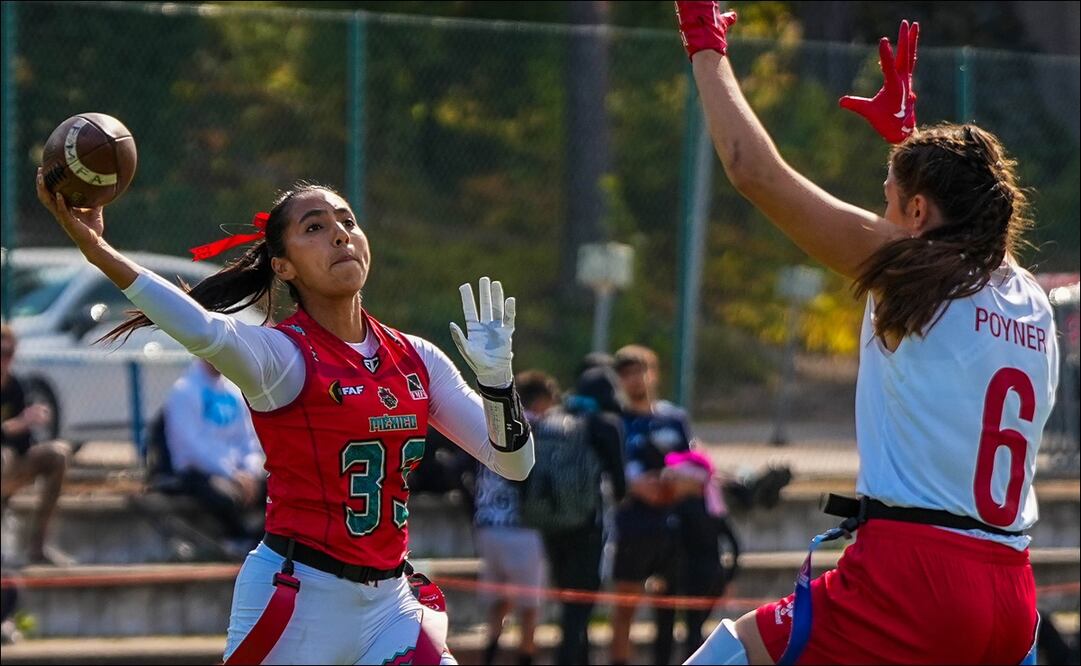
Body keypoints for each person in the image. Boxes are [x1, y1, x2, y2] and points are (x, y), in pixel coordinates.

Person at [674, 4, 1058, 664]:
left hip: (916, 578)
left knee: (731, 653)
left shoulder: (915, 275)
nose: (877, 217)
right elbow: (949, 224)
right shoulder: (1028, 295)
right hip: (1009, 594)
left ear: (914, 211)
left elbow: (751, 170)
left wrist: (704, 45)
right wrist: (907, 140)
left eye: (887, 200)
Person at [35, 175, 535, 665]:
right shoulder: (283, 356)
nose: (340, 233)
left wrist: (498, 383)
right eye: (314, 227)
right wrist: (98, 251)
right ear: (284, 266)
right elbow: (202, 328)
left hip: (391, 603)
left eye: (348, 220)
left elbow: (513, 465)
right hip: (299, 598)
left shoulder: (416, 356)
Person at [609, 344, 694, 666]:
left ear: (654, 374)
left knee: (668, 609)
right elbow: (611, 472)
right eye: (628, 373)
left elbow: (695, 465)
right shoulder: (616, 421)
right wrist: (635, 486)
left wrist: (676, 484)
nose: (636, 380)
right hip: (631, 526)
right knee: (625, 607)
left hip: (672, 525)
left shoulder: (674, 419)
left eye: (642, 371)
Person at [539, 363, 626, 665]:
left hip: (551, 525)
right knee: (580, 610)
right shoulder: (606, 424)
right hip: (588, 527)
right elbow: (620, 484)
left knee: (569, 607)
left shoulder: (553, 420)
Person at [472, 370, 556, 666]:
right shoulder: (538, 427)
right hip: (522, 528)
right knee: (528, 608)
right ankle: (525, 658)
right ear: (543, 399)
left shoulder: (493, 423)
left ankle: (489, 657)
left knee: (497, 603)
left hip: (487, 524)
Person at [163, 358, 266, 558]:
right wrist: (232, 473)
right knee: (224, 496)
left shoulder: (234, 393)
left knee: (277, 487)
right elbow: (191, 446)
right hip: (197, 471)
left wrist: (249, 470)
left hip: (239, 474)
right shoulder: (184, 391)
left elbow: (249, 440)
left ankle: (261, 541)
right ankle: (237, 540)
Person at [0, 323, 73, 566]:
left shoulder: (16, 386)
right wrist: (19, 423)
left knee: (58, 453)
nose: (5, 361)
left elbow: (23, 444)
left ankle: (38, 546)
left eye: (9, 354)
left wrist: (32, 422)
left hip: (13, 465)